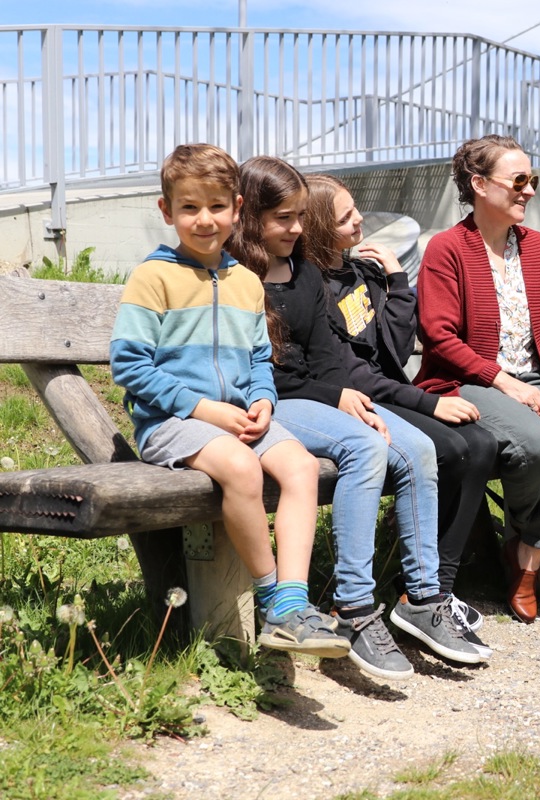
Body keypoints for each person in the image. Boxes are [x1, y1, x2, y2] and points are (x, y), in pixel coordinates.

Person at [226, 157, 489, 677]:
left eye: (301, 216)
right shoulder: (237, 276)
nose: (297, 228)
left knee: (416, 450)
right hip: (269, 401)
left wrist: (341, 390)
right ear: (251, 215)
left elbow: (326, 355)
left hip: (316, 394)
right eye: (283, 218)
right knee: (364, 447)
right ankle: (354, 605)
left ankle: (423, 597)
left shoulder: (302, 274)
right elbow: (258, 371)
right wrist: (336, 394)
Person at [109, 144, 348, 659]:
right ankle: (271, 601)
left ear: (237, 209)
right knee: (242, 469)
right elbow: (130, 367)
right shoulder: (153, 277)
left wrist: (263, 398)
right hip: (173, 422)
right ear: (166, 211)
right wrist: (203, 409)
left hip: (237, 418)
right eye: (189, 208)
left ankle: (293, 599)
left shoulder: (244, 280)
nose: (203, 219)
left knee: (302, 467)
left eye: (217, 207)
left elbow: (260, 358)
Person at [416, 134, 540, 623]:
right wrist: (506, 383)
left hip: (538, 380)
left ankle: (523, 550)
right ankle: (537, 548)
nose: (529, 191)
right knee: (536, 445)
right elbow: (439, 337)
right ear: (479, 185)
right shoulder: (446, 249)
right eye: (519, 180)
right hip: (467, 381)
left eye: (532, 180)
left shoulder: (538, 248)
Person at [302, 173, 499, 633]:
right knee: (450, 449)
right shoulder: (317, 289)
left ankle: (437, 589)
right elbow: (355, 375)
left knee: (483, 446)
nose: (359, 220)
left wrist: (397, 281)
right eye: (345, 217)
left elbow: (393, 349)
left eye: (355, 210)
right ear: (316, 228)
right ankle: (416, 588)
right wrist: (430, 406)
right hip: (353, 400)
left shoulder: (360, 271)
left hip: (387, 389)